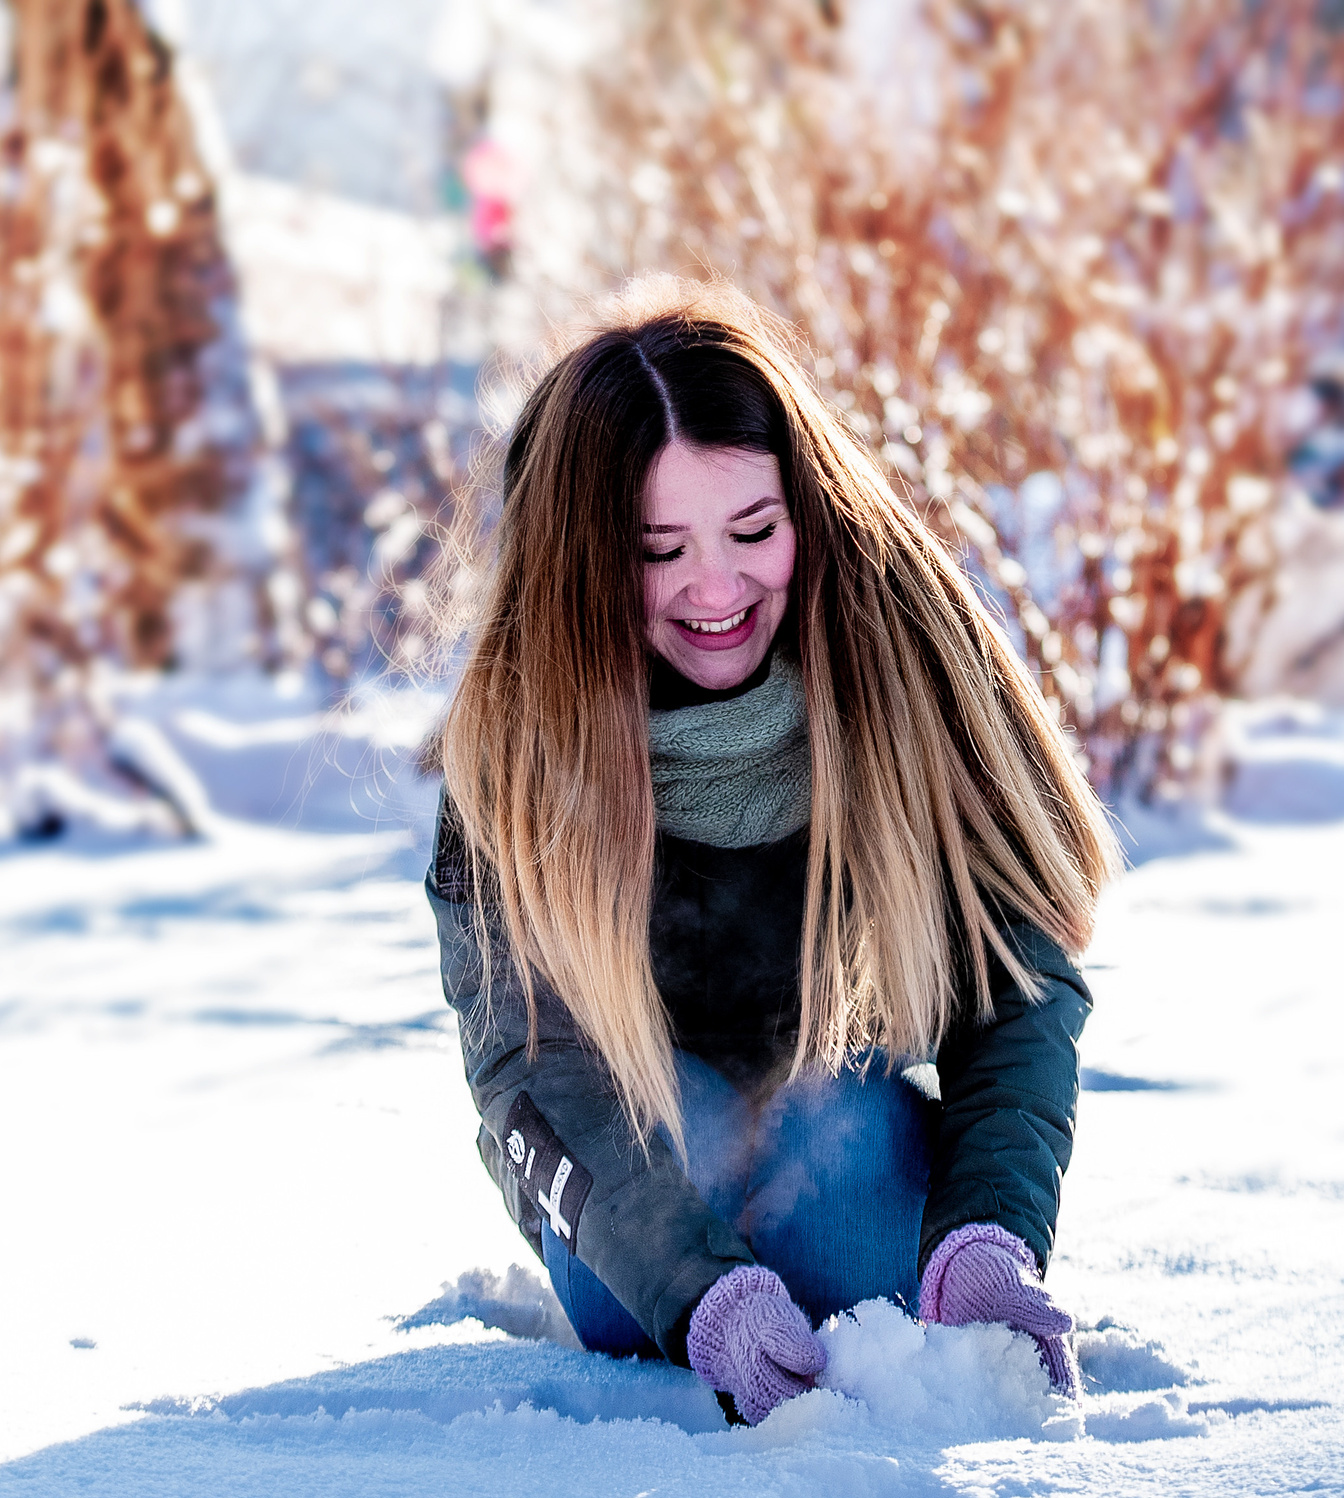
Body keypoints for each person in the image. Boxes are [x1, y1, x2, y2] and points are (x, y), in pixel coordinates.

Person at [427, 278, 1117, 1424]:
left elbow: (1020, 981)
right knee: (683, 1151)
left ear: (806, 507)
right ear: (585, 562)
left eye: (753, 530)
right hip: (624, 1172)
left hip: (838, 1125)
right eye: (659, 549)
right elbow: (528, 1066)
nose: (717, 587)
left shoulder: (910, 660)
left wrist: (990, 1237)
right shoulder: (519, 742)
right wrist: (700, 1293)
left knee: (843, 1161)